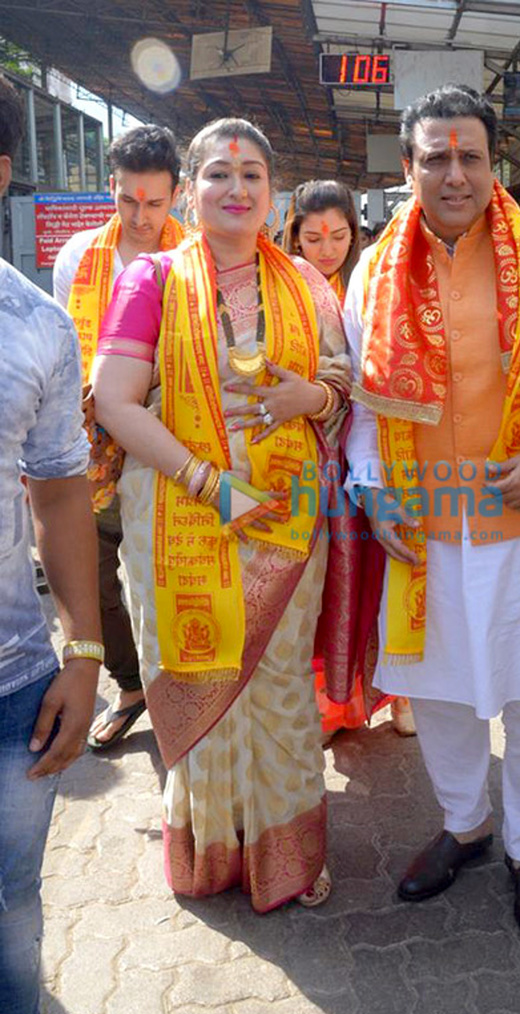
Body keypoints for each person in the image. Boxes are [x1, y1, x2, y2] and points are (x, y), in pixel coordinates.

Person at [344, 84, 520, 946]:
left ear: (492, 161)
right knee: (442, 698)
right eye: (436, 156)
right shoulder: (374, 270)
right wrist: (368, 485)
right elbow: (361, 403)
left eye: (469, 155)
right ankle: (466, 825)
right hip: (427, 528)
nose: (454, 172)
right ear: (409, 168)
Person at [91, 117, 351, 912]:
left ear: (272, 196)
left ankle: (287, 854)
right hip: (180, 512)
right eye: (218, 175)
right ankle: (211, 852)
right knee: (197, 675)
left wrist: (309, 397)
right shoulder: (153, 280)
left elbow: (342, 385)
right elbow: (112, 399)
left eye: (252, 176)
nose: (236, 189)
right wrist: (211, 483)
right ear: (191, 189)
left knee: (276, 684)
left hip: (285, 511)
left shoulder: (307, 283)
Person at [0, 74, 101, 1014]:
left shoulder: (36, 323)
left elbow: (62, 493)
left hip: (12, 682)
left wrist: (87, 654)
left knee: (9, 915)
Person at [53, 124, 183, 751]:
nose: (140, 216)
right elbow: (66, 355)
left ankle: (187, 694)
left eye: (154, 203)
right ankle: (131, 686)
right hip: (93, 446)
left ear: (176, 196)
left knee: (168, 574)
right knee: (97, 577)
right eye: (128, 200)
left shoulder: (196, 258)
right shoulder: (79, 257)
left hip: (173, 442)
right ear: (111, 188)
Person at [282, 178, 416, 738]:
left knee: (384, 576)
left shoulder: (377, 283)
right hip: (311, 458)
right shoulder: (283, 290)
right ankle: (333, 702)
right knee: (330, 587)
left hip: (375, 450)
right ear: (294, 237)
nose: (327, 249)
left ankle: (399, 695)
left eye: (338, 235)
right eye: (313, 238)